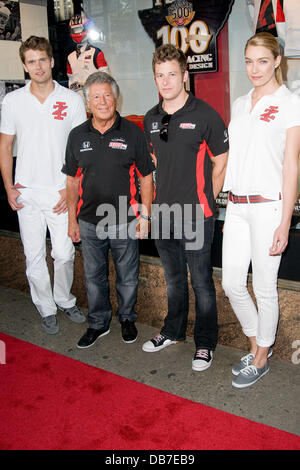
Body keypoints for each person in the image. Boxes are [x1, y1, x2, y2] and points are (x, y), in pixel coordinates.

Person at [142, 44, 228, 371]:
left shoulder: (205, 115)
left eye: (172, 75)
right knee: (174, 279)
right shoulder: (151, 118)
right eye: (160, 76)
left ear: (185, 76)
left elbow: (221, 163)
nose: (166, 82)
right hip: (164, 215)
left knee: (201, 283)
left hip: (196, 215)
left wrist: (207, 201)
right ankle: (173, 331)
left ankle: (205, 344)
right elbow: (153, 163)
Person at [222, 32, 300, 388]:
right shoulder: (240, 104)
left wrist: (285, 220)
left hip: (270, 207)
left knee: (265, 287)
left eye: (263, 61)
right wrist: (227, 207)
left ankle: (261, 358)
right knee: (232, 283)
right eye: (249, 61)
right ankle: (256, 345)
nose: (255, 69)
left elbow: (291, 165)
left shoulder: (290, 103)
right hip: (237, 207)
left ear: (277, 60)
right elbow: (235, 158)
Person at [0, 36, 87, 334]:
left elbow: (80, 149)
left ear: (51, 62)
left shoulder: (72, 100)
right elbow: (5, 145)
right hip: (26, 191)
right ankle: (45, 307)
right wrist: (9, 186)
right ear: (25, 66)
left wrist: (70, 189)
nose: (37, 66)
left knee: (63, 252)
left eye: (42, 60)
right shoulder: (12, 101)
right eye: (31, 61)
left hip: (60, 190)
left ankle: (64, 298)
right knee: (33, 254)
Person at [63, 71, 154, 348]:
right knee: (93, 277)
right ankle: (98, 323)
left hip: (124, 220)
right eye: (96, 97)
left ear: (116, 98)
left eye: (107, 95)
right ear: (88, 103)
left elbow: (146, 176)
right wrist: (72, 220)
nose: (103, 102)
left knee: (128, 275)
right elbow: (72, 180)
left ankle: (127, 319)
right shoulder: (77, 136)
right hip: (89, 221)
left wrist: (146, 216)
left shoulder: (133, 133)